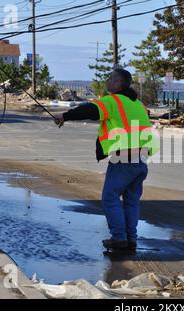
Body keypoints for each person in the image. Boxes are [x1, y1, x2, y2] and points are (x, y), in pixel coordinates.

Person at [54, 69, 159, 251]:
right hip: (141, 159)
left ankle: (119, 239)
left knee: (110, 198)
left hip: (123, 158)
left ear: (118, 83)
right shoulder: (138, 104)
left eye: (110, 78)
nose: (107, 80)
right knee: (131, 201)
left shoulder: (113, 101)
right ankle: (130, 240)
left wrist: (65, 116)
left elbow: (90, 110)